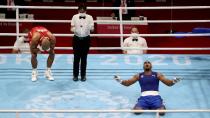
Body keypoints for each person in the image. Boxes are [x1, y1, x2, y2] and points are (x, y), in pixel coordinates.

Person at [114, 60, 181, 115]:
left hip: (155, 98)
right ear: (143, 66)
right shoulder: (138, 75)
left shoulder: (158, 74)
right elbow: (127, 83)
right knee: (137, 112)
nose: (147, 64)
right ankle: (147, 105)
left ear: (151, 66)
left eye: (148, 63)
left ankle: (160, 104)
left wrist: (174, 81)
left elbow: (168, 83)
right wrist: (119, 80)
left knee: (161, 113)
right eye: (145, 63)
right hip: (144, 98)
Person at [70, 4, 94, 82]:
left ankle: (83, 75)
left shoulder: (90, 17)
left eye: (83, 9)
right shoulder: (74, 17)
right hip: (76, 39)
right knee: (76, 58)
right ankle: (75, 75)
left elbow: (93, 29)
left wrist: (90, 28)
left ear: (85, 10)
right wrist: (74, 29)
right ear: (78, 10)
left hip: (86, 39)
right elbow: (71, 27)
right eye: (81, 9)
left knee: (84, 58)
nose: (82, 11)